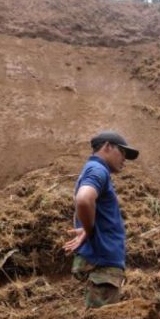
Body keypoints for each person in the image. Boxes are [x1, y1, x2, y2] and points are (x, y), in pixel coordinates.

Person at [62, 130, 139, 308]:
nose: (124, 159)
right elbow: (84, 199)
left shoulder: (95, 170)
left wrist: (88, 227)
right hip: (103, 266)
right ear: (107, 147)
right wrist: (89, 230)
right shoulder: (98, 170)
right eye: (122, 152)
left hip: (102, 262)